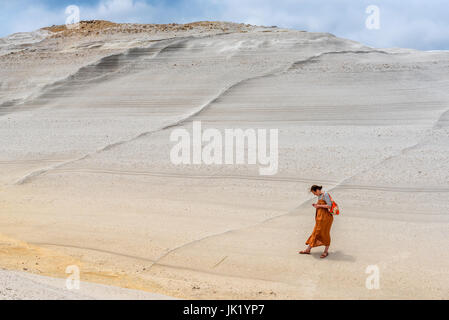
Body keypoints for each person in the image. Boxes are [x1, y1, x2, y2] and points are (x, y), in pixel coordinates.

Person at [299, 185, 334, 258]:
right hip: (320, 218)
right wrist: (316, 205)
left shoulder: (325, 194)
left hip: (326, 218)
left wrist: (319, 206)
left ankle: (325, 251)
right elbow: (322, 205)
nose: (314, 194)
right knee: (315, 232)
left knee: (325, 233)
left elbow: (329, 206)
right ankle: (308, 250)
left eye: (314, 192)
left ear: (317, 190)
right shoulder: (320, 196)